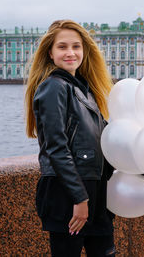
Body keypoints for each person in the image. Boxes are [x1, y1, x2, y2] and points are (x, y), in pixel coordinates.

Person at [25, 19, 116, 257]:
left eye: (76, 46)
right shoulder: (53, 87)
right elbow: (56, 148)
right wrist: (79, 198)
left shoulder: (86, 90)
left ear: (85, 51)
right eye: (62, 47)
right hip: (67, 195)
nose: (70, 53)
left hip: (95, 193)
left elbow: (106, 143)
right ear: (50, 53)